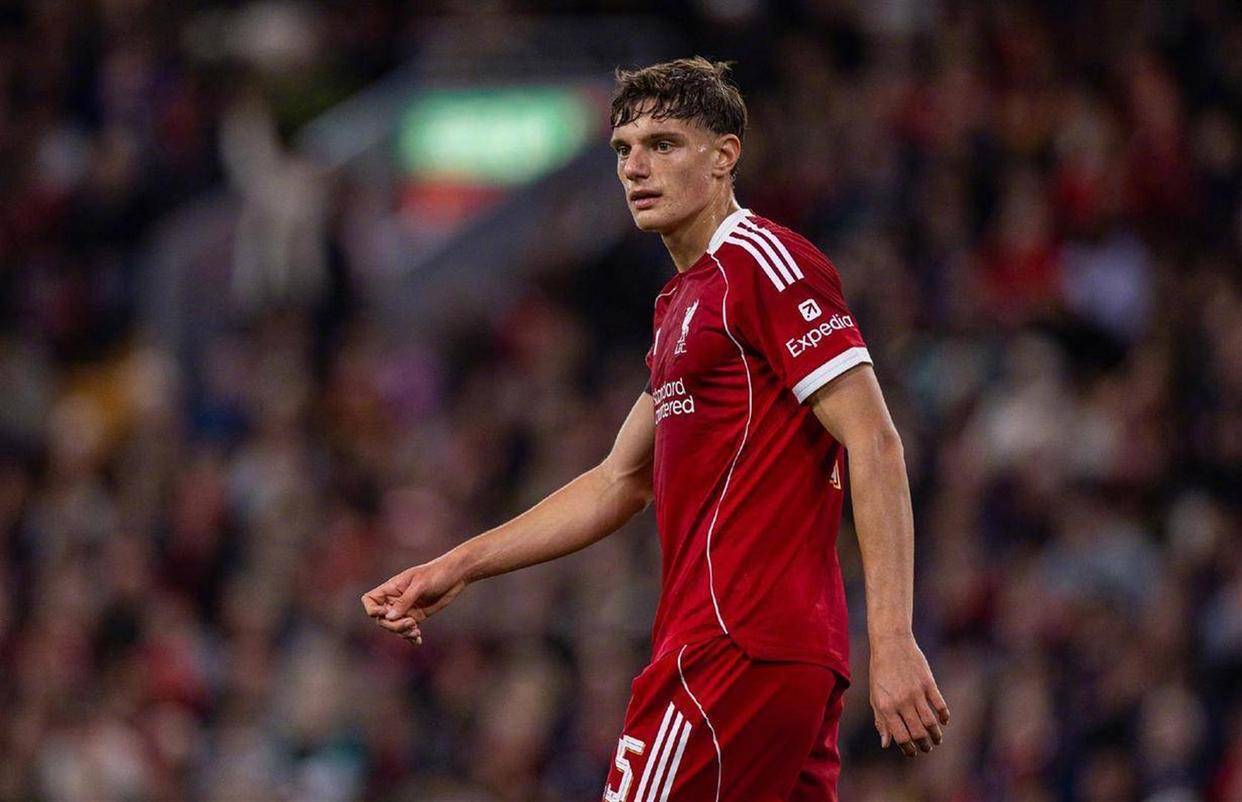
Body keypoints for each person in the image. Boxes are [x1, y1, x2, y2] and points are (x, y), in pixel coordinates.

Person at [362, 56, 949, 801]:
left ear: (724, 156)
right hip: (765, 652)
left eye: (663, 144)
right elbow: (619, 480)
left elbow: (874, 439)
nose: (635, 167)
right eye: (623, 149)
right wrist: (457, 566)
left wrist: (892, 639)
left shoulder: (763, 265)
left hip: (733, 646)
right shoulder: (682, 303)